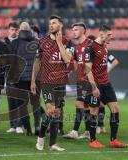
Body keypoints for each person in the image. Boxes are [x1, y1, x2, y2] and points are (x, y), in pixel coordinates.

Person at [31, 15, 73, 151]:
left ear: (60, 25)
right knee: (50, 110)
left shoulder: (67, 42)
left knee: (56, 113)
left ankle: (52, 144)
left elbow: (67, 60)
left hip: (61, 82)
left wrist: (60, 42)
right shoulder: (42, 42)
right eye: (50, 23)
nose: (51, 25)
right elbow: (37, 62)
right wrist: (32, 80)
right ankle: (41, 137)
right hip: (47, 81)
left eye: (54, 23)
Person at [84, 24, 128, 148]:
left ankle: (113, 140)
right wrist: (93, 87)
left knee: (115, 109)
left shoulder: (104, 46)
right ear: (101, 34)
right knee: (94, 111)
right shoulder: (90, 48)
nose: (111, 37)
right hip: (95, 85)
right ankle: (93, 141)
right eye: (109, 35)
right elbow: (87, 69)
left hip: (106, 83)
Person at [63, 22, 91, 140]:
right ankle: (88, 132)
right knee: (86, 106)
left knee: (79, 103)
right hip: (80, 80)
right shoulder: (77, 47)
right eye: (72, 30)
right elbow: (74, 65)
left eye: (76, 30)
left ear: (83, 31)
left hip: (87, 80)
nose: (73, 32)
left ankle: (75, 131)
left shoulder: (90, 45)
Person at [4, 22, 24, 134]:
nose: (14, 32)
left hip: (20, 76)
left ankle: (19, 125)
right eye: (12, 29)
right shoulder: (4, 43)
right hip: (8, 75)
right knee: (11, 101)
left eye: (16, 30)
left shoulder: (21, 44)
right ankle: (12, 125)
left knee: (19, 101)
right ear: (8, 30)